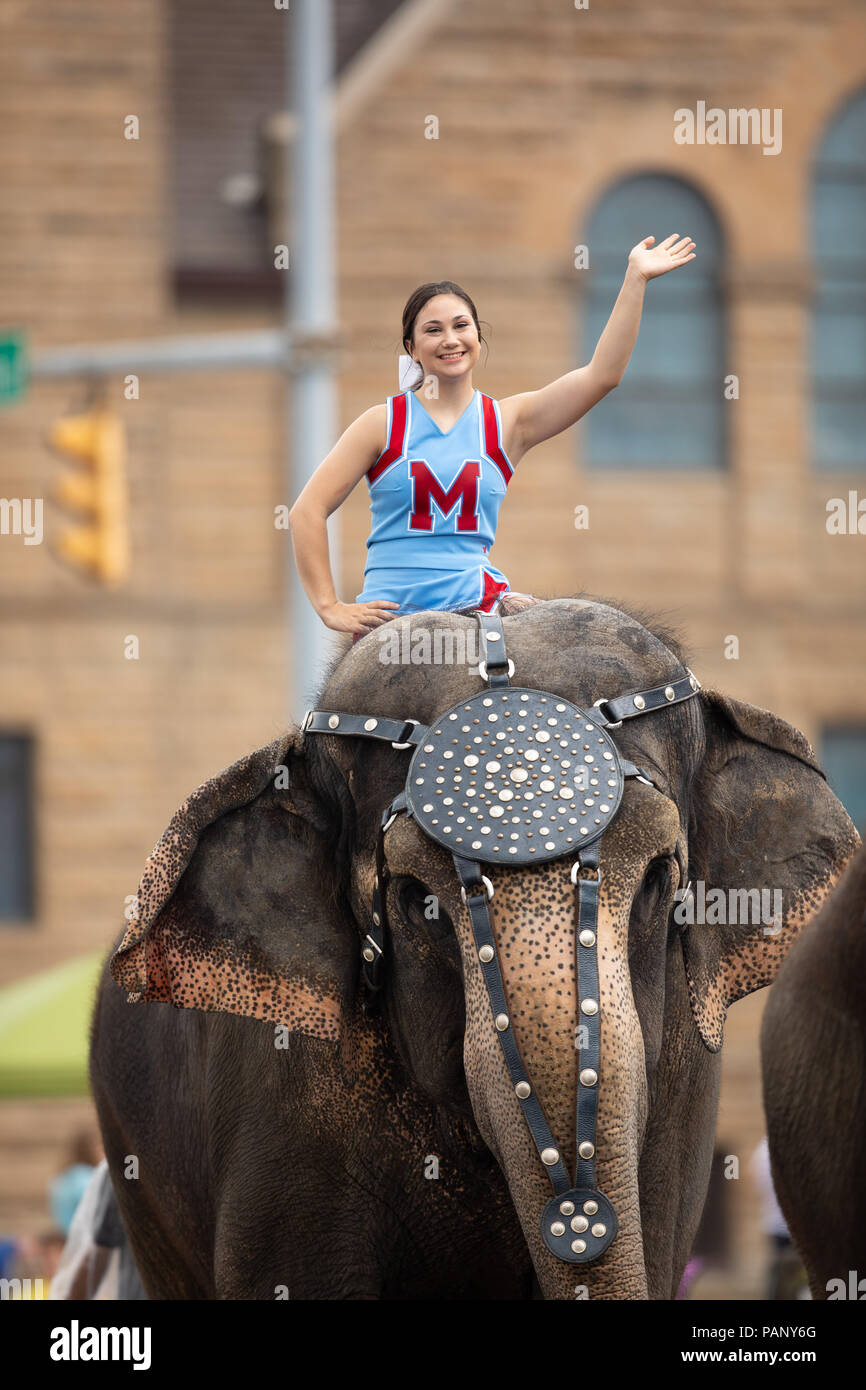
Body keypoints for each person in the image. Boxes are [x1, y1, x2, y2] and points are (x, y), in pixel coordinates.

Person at [289, 235, 696, 640]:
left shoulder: (505, 421)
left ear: (477, 338)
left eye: (461, 326)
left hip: (478, 613)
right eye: (434, 330)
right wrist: (329, 607)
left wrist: (635, 279)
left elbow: (602, 375)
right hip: (394, 626)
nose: (450, 339)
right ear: (412, 349)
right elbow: (307, 511)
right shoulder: (382, 423)